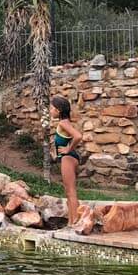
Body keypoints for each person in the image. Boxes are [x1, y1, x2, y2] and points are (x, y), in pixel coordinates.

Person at [50, 95, 82, 226]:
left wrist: (68, 149)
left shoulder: (63, 123)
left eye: (51, 108)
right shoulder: (65, 123)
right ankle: (70, 222)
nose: (50, 110)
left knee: (71, 191)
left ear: (58, 110)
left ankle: (75, 222)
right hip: (68, 158)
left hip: (68, 158)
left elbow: (78, 136)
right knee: (68, 192)